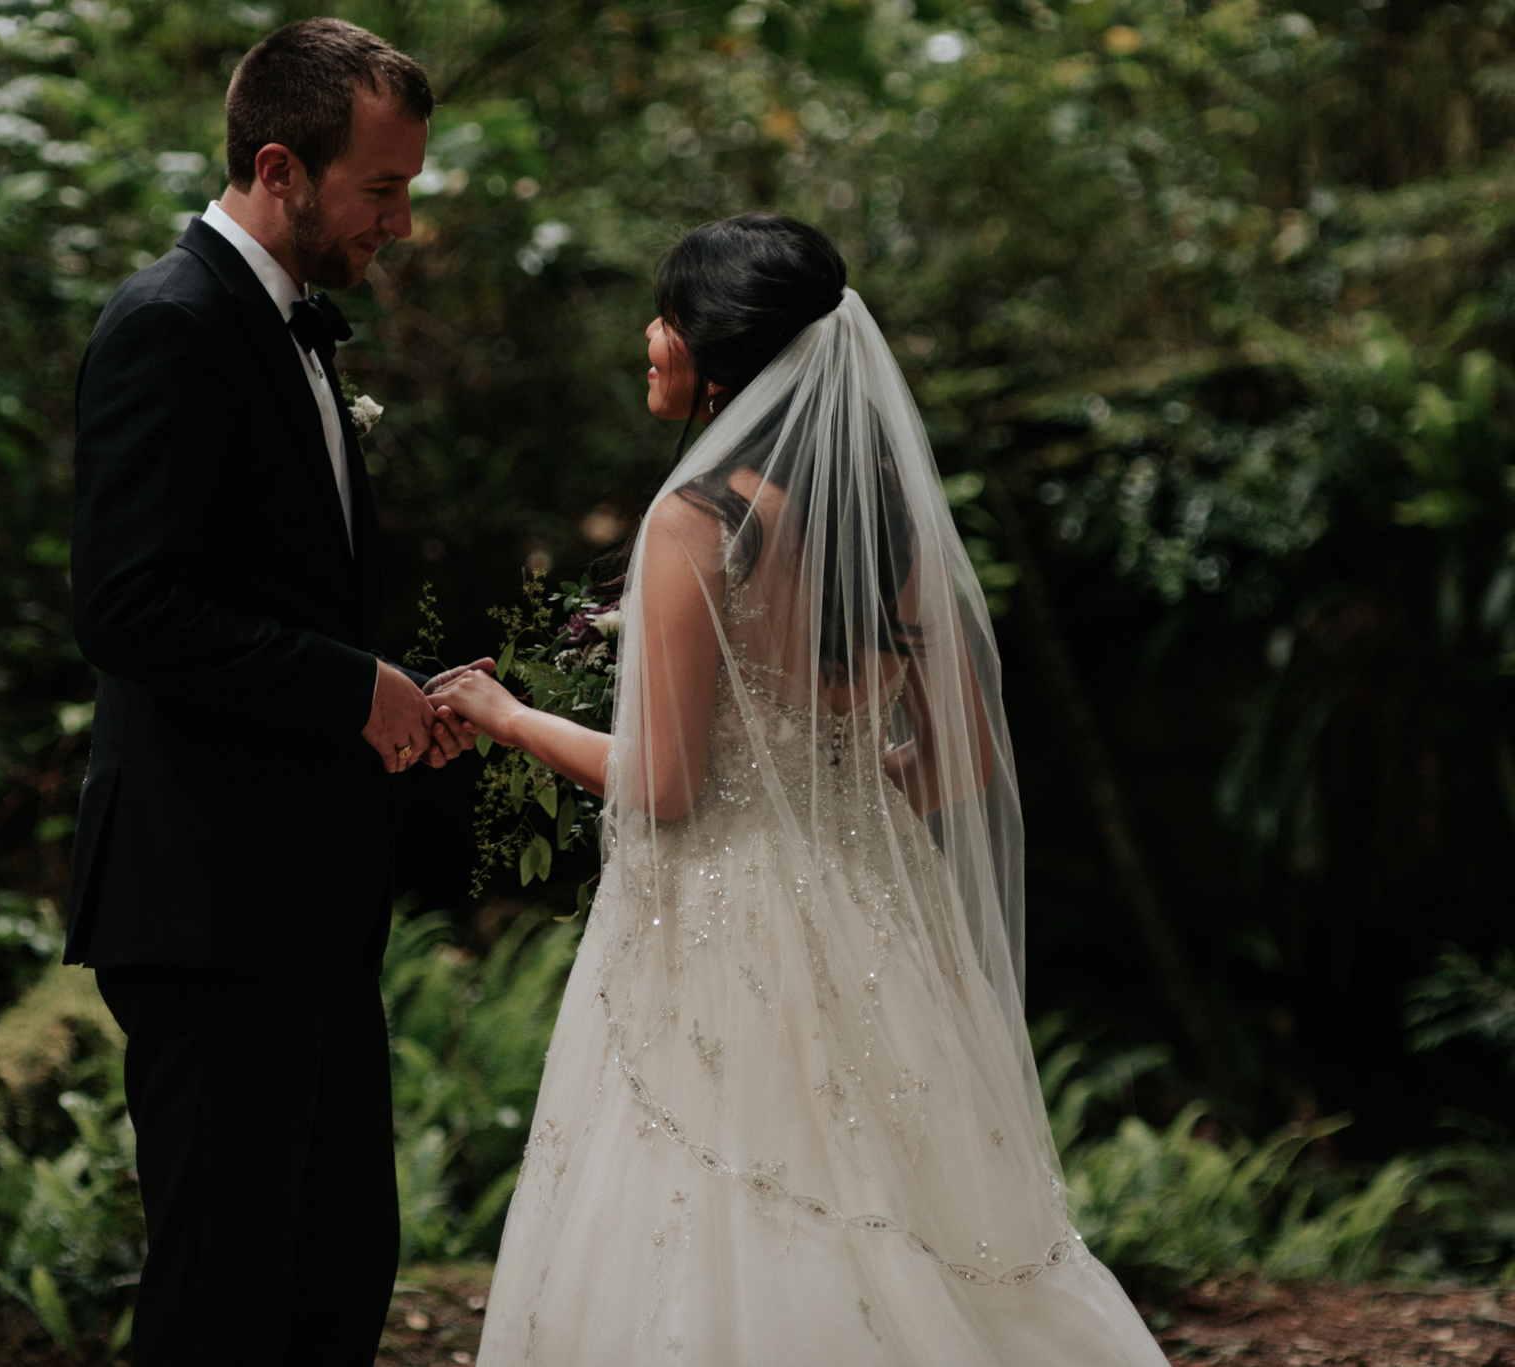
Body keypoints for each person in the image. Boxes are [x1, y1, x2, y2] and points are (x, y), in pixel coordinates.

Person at [431, 213, 1170, 1365]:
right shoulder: (882, 517)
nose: (649, 335)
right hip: (872, 905)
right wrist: (831, 784)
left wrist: (509, 716)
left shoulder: (694, 520)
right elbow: (959, 758)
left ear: (718, 350)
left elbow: (665, 788)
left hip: (721, 918)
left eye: (666, 315)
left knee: (717, 1192)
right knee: (901, 1202)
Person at [63, 20, 479, 1367]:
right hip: (208, 892)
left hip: (299, 888)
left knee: (338, 1257)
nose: (400, 226)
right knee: (224, 1285)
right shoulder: (169, 327)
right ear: (282, 167)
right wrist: (350, 686)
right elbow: (127, 606)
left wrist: (390, 690)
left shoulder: (286, 330)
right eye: (384, 190)